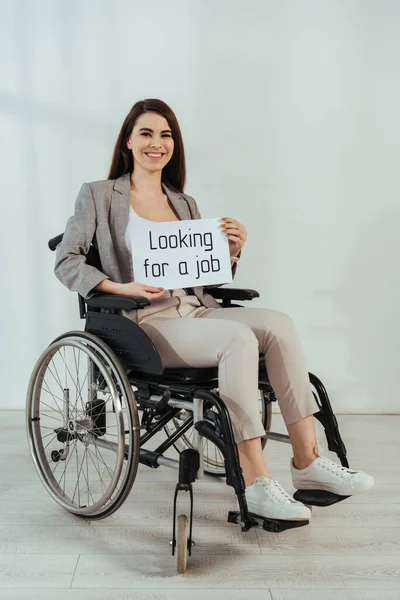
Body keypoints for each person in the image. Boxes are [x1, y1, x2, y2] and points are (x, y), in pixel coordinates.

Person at [55, 98, 374, 523]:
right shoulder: (98, 195)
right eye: (146, 133)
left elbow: (203, 276)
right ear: (128, 142)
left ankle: (308, 461)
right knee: (237, 338)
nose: (157, 143)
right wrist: (121, 286)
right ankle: (256, 480)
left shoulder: (183, 203)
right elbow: (66, 261)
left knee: (279, 324)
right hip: (143, 323)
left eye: (165, 135)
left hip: (194, 310)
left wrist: (232, 251)